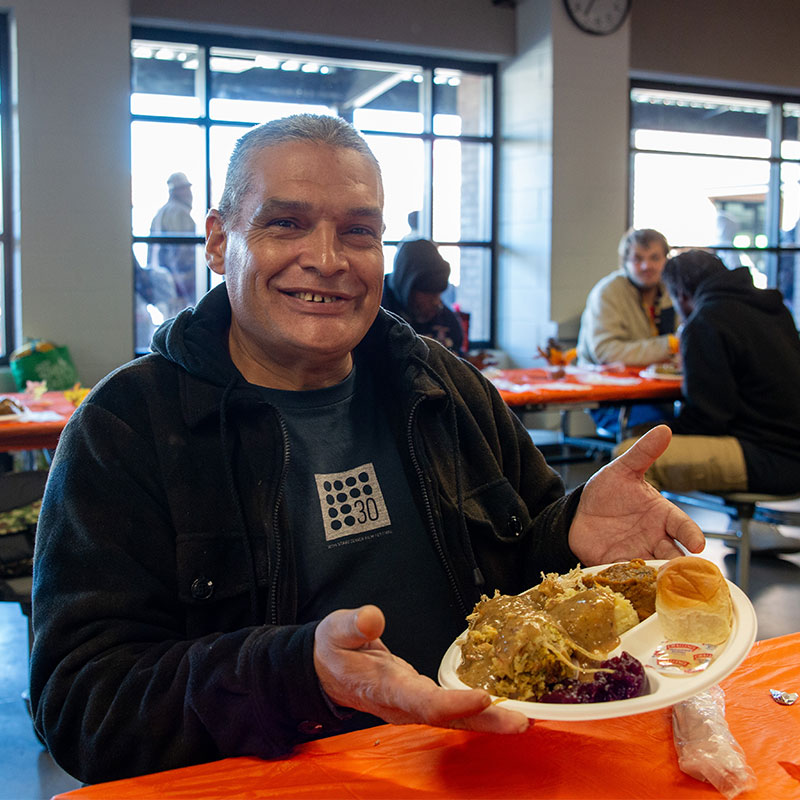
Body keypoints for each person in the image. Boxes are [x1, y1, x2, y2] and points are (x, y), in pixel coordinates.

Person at [30, 114, 704, 785]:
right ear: (216, 240)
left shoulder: (445, 388)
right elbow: (84, 705)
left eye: (358, 231)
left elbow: (525, 579)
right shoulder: (127, 426)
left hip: (488, 763)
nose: (327, 258)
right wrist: (297, 674)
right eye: (286, 223)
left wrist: (571, 536)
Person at [617, 249, 800, 502]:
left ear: (681, 294)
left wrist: (650, 431)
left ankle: (643, 542)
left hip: (767, 458)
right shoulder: (772, 308)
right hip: (788, 449)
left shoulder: (707, 321)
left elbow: (709, 419)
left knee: (631, 456)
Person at [576, 227, 679, 435]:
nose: (646, 265)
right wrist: (670, 345)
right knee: (655, 432)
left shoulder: (673, 291)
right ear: (624, 262)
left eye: (655, 258)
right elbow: (607, 352)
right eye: (637, 258)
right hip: (612, 397)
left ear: (666, 260)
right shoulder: (608, 293)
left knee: (704, 425)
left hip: (666, 394)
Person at [381, 238, 465, 354]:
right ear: (407, 288)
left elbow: (459, 357)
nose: (436, 302)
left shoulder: (446, 320)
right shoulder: (376, 317)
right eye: (429, 294)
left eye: (439, 294)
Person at [148, 171, 197, 306]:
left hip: (163, 287)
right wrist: (183, 285)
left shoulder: (160, 213)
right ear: (176, 191)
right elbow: (182, 255)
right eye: (186, 189)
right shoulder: (179, 213)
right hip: (178, 287)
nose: (189, 194)